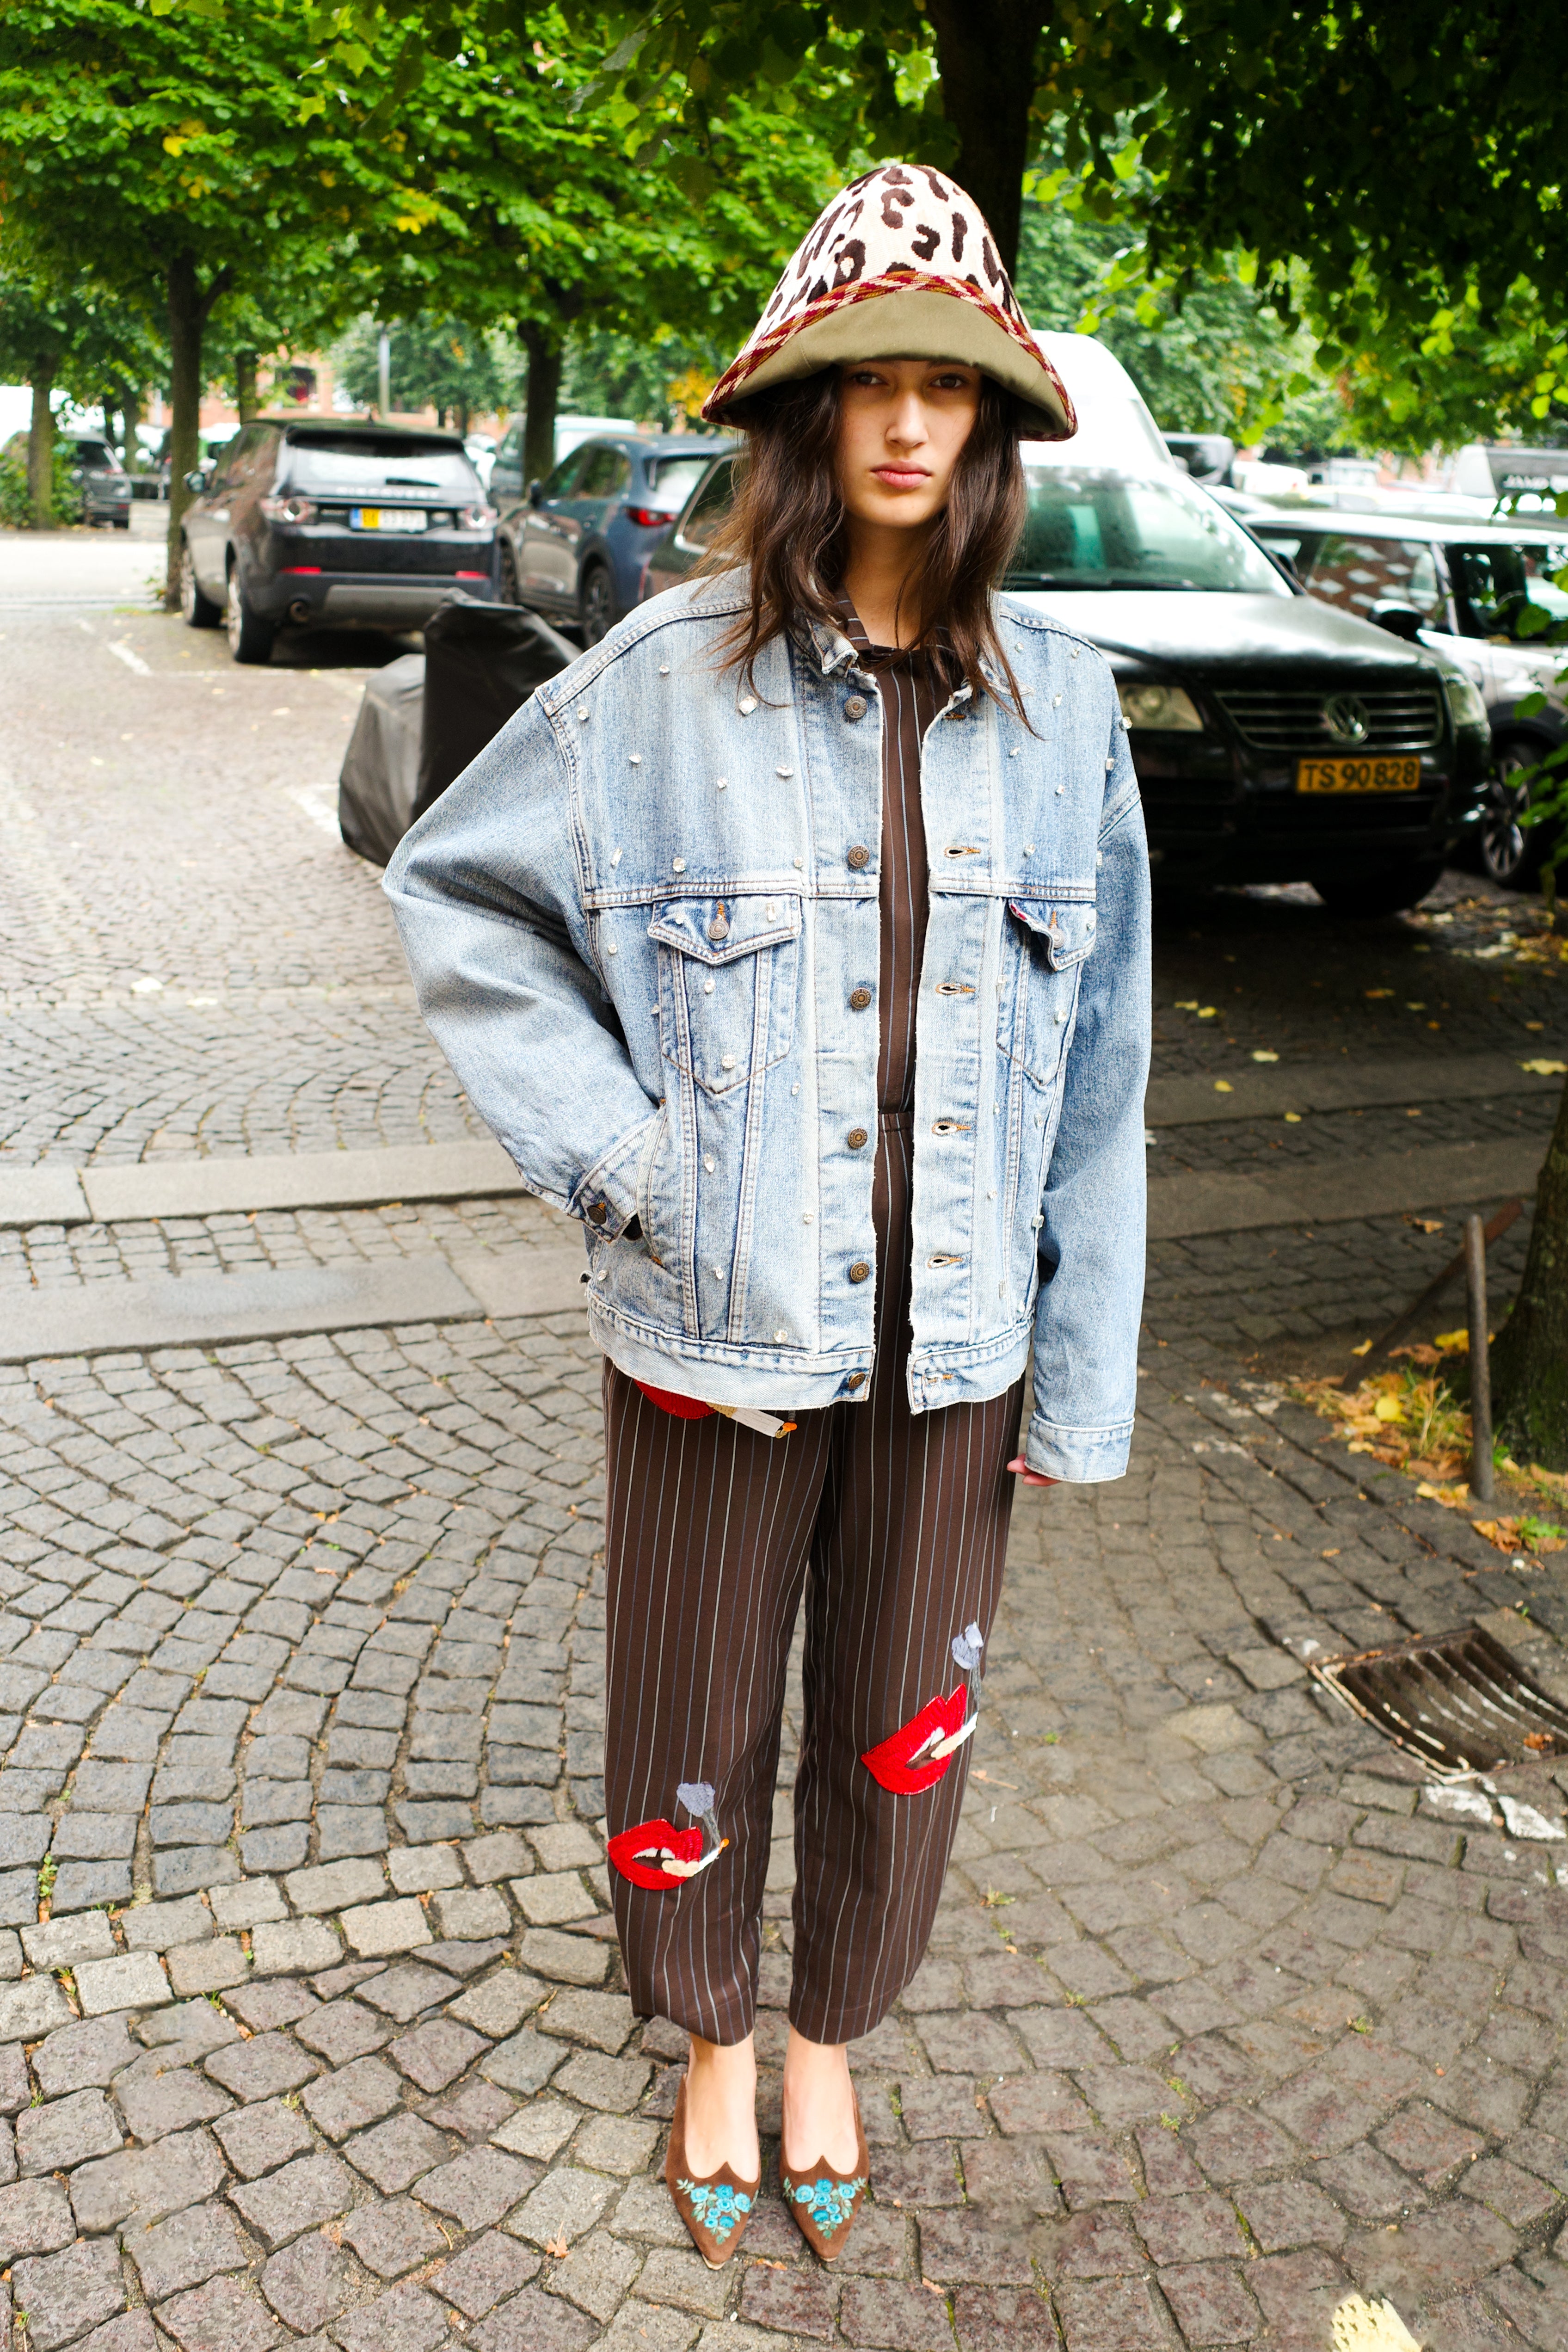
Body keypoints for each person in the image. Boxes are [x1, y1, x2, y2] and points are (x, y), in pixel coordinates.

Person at [384, 161, 1150, 2270]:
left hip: (957, 1335)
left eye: (949, 385)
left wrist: (1077, 1372)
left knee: (905, 1725)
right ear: (800, 413)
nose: (906, 422)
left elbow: (1102, 1075)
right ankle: (709, 2040)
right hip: (715, 1326)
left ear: (993, 424)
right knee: (694, 1710)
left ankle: (829, 2040)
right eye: (865, 381)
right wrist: (629, 1167)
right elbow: (456, 896)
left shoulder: (1066, 710)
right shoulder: (657, 684)